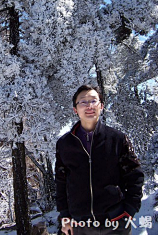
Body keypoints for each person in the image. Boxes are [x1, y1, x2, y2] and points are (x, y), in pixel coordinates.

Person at [55, 84, 144, 235]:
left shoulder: (117, 139)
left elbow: (135, 175)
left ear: (101, 106)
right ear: (75, 109)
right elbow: (61, 182)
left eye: (93, 101)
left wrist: (129, 210)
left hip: (115, 221)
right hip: (79, 224)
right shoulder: (65, 144)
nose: (89, 105)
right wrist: (65, 216)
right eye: (83, 101)